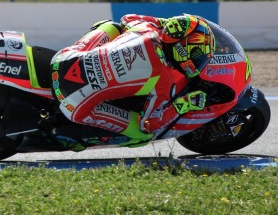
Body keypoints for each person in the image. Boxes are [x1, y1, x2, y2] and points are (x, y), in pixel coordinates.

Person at [50, 13, 215, 150]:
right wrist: (184, 104)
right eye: (196, 54)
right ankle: (79, 140)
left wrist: (161, 23)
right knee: (144, 135)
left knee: (112, 25)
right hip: (72, 104)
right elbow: (150, 124)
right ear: (181, 47)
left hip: (62, 59)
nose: (197, 60)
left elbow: (126, 18)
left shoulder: (144, 28)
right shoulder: (165, 82)